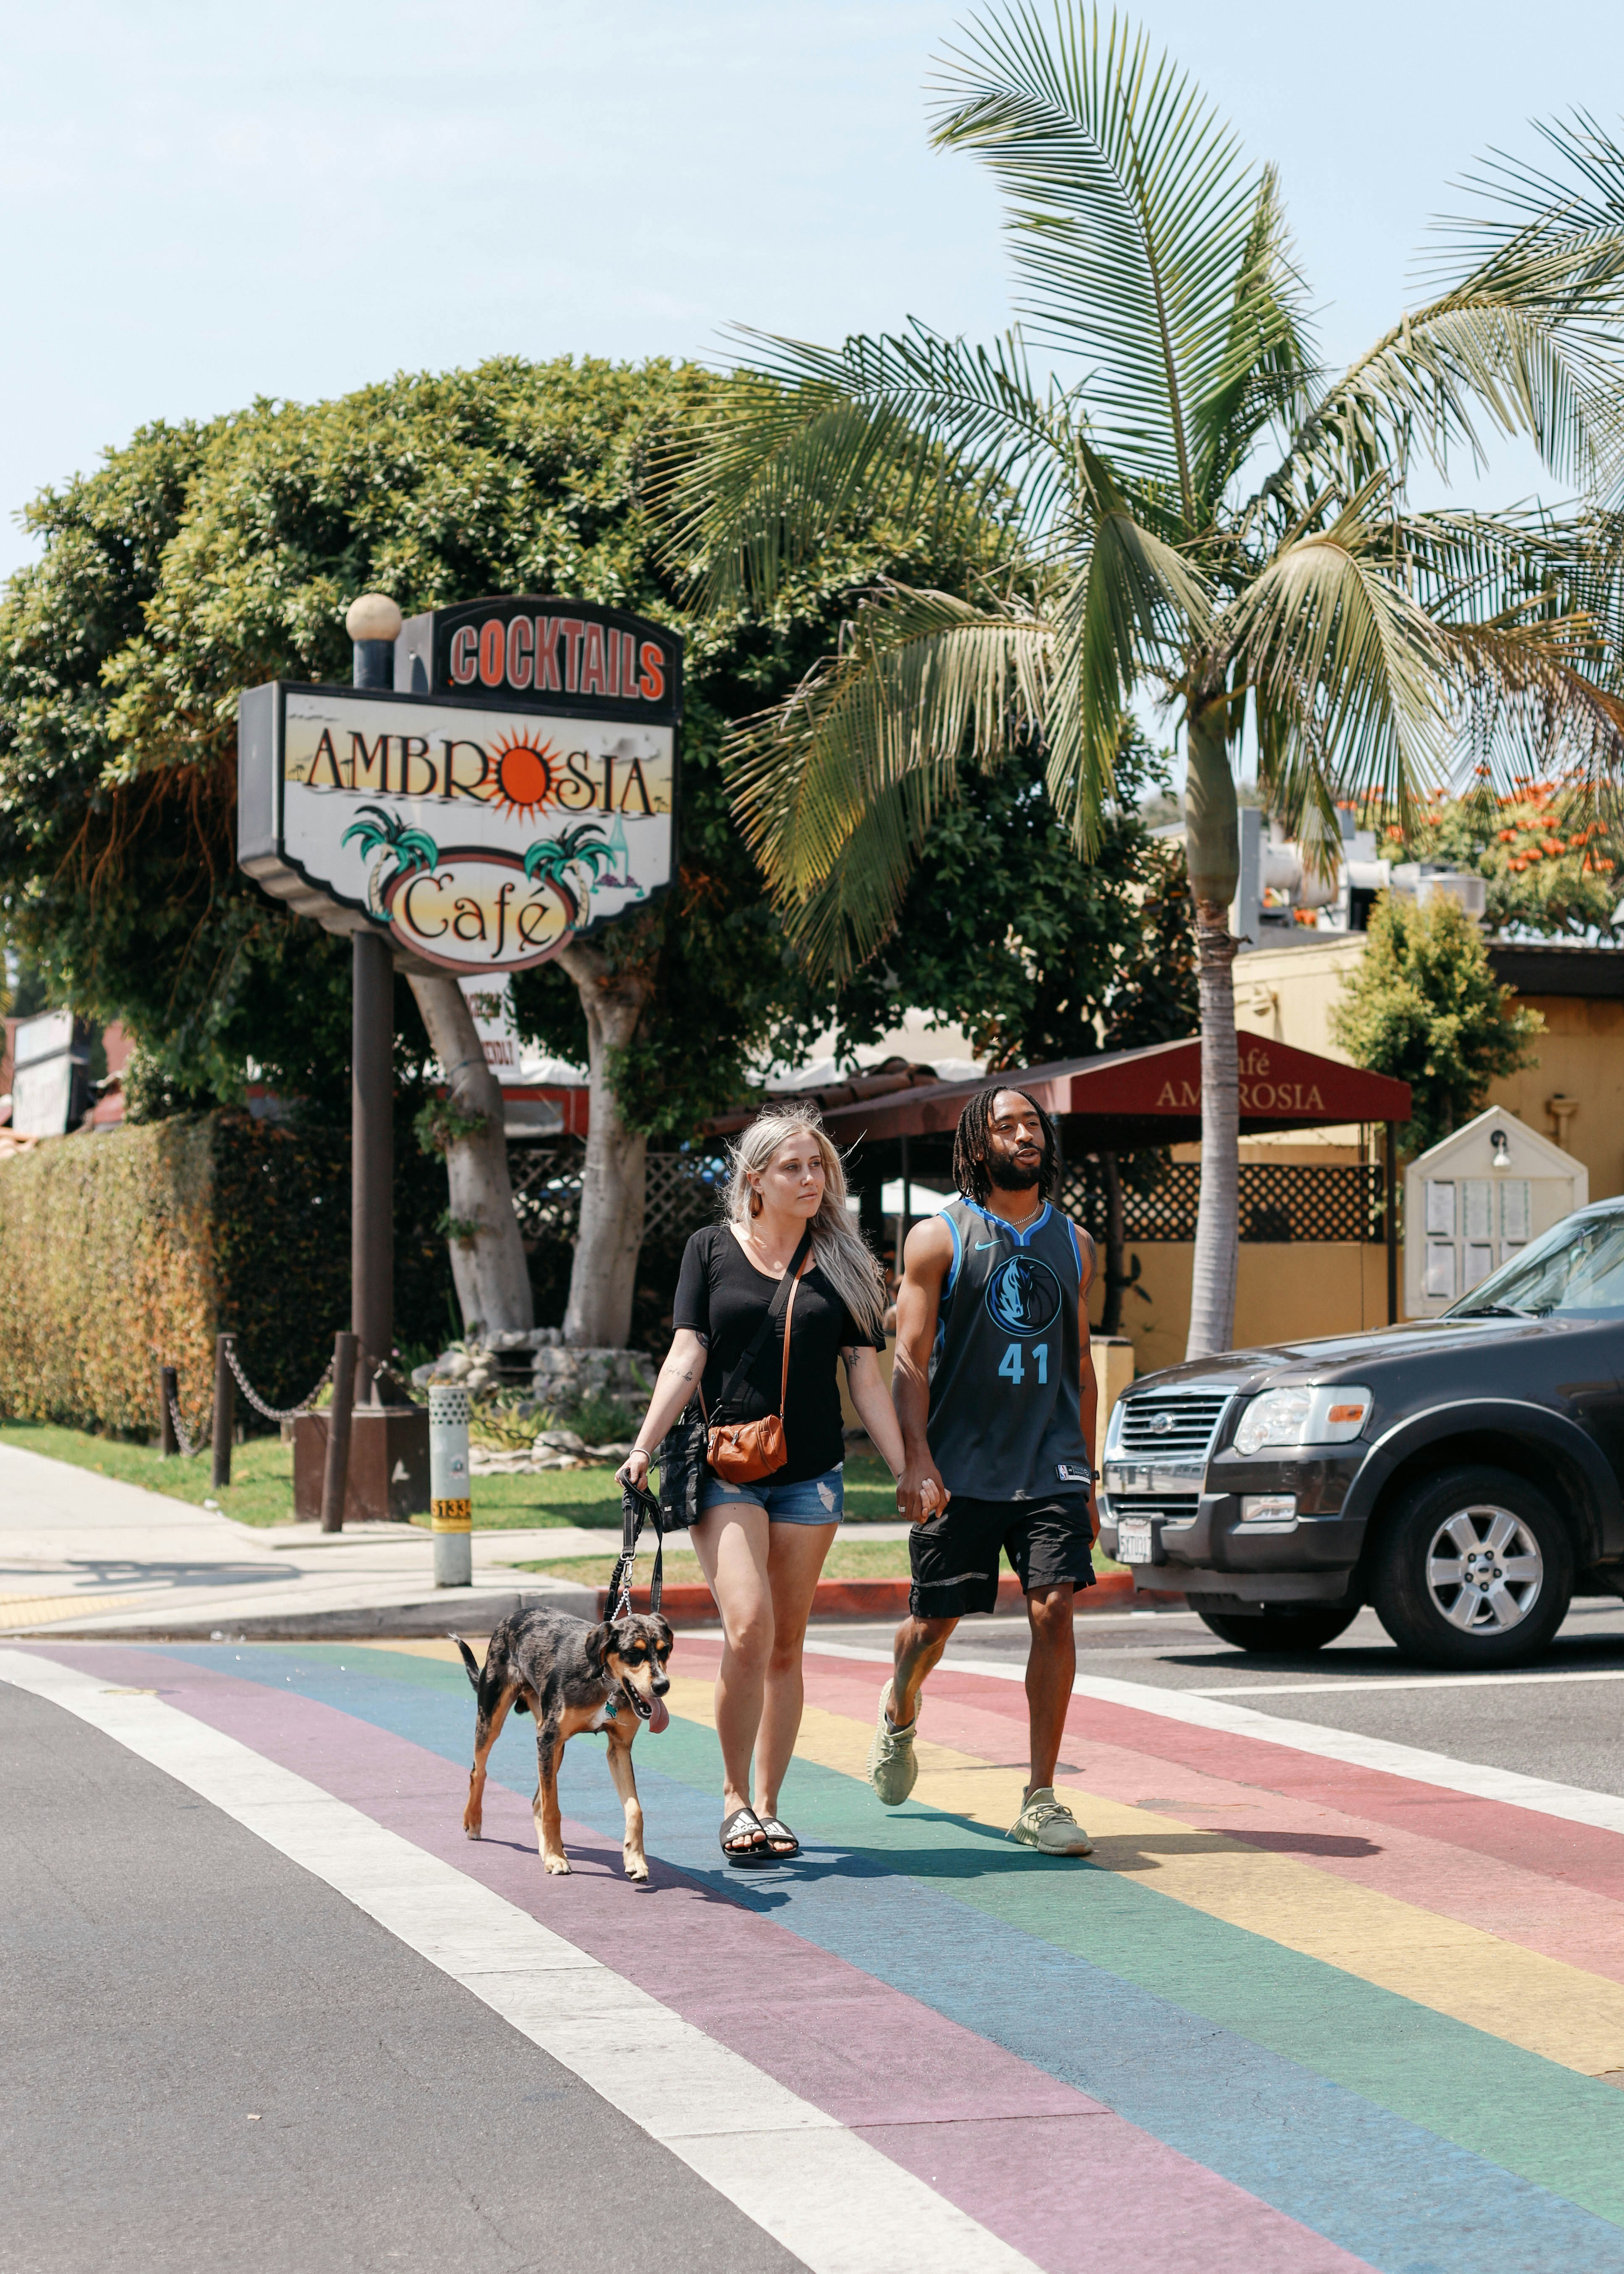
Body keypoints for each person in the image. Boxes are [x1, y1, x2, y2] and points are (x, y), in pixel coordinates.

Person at [619, 1109, 916, 1866]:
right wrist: (645, 1444)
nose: (811, 1179)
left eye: (818, 1166)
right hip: (726, 1466)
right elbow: (688, 1351)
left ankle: (771, 1807)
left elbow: (864, 1377)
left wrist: (905, 1465)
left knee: (786, 1643)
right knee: (747, 1626)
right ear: (755, 1180)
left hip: (810, 1475)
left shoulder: (847, 1261)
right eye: (793, 1167)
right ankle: (731, 1799)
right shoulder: (710, 1250)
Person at [871, 1085, 1100, 1855]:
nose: (1024, 1135)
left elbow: (1082, 1363)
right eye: (1005, 1126)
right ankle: (900, 1706)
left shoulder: (1075, 1243)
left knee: (1054, 1610)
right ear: (978, 1147)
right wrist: (916, 1458)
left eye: (1032, 1123)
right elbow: (907, 1356)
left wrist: (1088, 1473)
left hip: (1050, 1463)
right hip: (960, 1468)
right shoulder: (939, 1238)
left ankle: (1040, 1798)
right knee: (933, 1626)